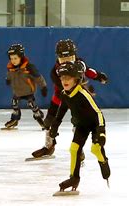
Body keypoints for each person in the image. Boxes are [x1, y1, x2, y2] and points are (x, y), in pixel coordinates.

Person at [32, 39, 108, 158]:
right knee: (48, 122)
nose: (66, 62)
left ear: (75, 56)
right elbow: (65, 89)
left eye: (69, 58)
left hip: (78, 99)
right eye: (63, 59)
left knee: (78, 123)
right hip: (61, 98)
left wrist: (99, 76)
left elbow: (88, 71)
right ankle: (48, 146)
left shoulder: (80, 64)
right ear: (58, 58)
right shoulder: (55, 72)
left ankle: (78, 148)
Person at [50, 62, 110, 191]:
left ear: (76, 79)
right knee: (74, 149)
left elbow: (98, 113)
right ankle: (74, 178)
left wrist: (101, 132)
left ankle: (103, 161)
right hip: (81, 125)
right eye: (62, 78)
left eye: (68, 78)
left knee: (95, 149)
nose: (64, 81)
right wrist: (54, 126)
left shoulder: (83, 94)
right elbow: (61, 111)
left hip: (94, 124)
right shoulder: (65, 94)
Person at [3, 44, 47, 129]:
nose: (13, 61)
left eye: (15, 58)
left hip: (28, 91)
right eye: (11, 58)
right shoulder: (10, 67)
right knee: (14, 103)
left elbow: (38, 77)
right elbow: (9, 74)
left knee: (31, 104)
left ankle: (39, 118)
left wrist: (43, 87)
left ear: (21, 57)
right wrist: (8, 79)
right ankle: (14, 119)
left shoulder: (29, 67)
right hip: (17, 91)